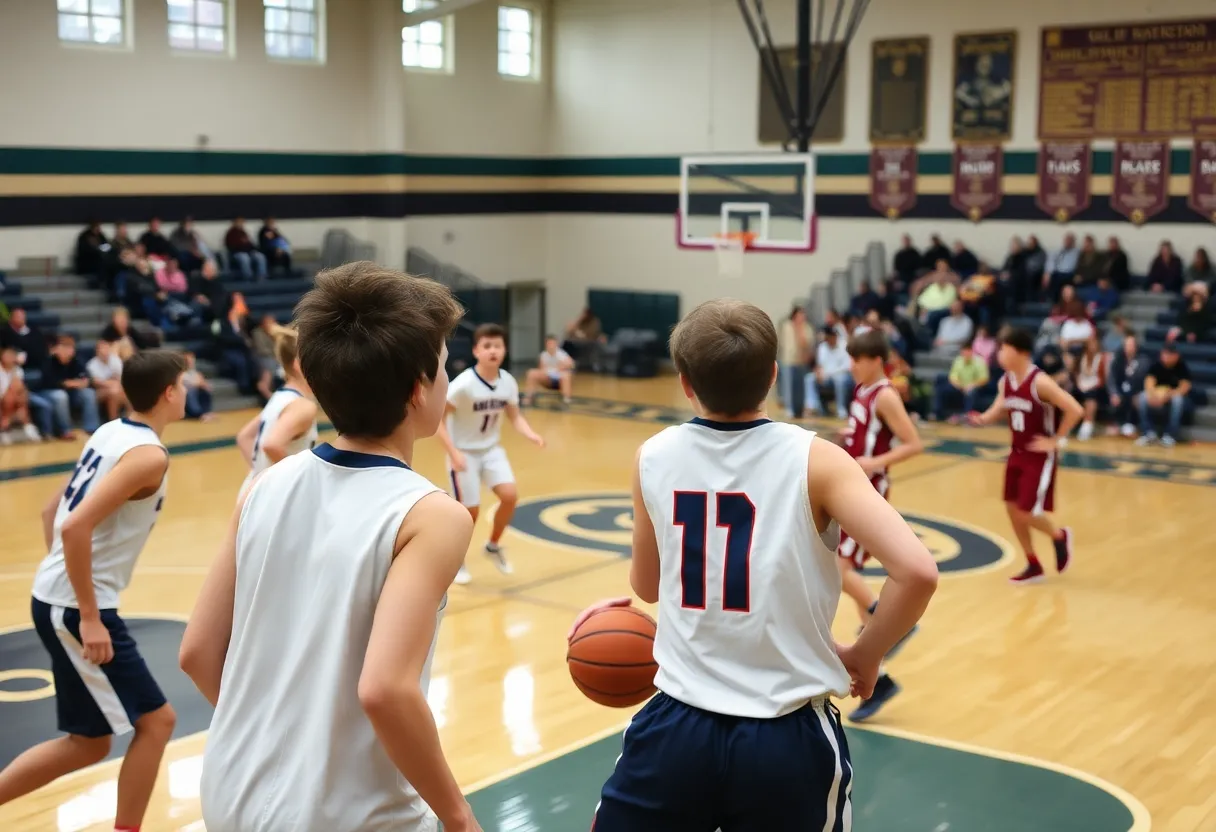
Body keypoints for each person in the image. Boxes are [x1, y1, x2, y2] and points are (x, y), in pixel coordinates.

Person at [571, 299, 938, 831]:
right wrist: (865, 653)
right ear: (771, 375)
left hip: (676, 726)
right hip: (786, 733)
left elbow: (646, 586)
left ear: (685, 382)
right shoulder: (819, 459)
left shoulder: (653, 454)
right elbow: (918, 573)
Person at [180, 263, 482, 832]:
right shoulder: (431, 515)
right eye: (446, 366)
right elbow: (386, 689)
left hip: (230, 792)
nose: (449, 379)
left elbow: (196, 653)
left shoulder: (263, 487)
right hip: (351, 813)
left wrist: (276, 749)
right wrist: (458, 816)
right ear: (420, 391)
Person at [0, 350, 187, 829]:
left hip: (57, 596)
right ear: (169, 392)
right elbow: (73, 525)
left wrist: (59, 579)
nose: (185, 392)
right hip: (77, 608)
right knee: (158, 721)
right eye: (182, 385)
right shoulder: (148, 456)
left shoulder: (111, 432)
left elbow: (51, 510)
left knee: (89, 743)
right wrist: (86, 614)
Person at [835, 329, 927, 721]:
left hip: (867, 491)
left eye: (858, 358)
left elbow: (913, 443)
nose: (852, 364)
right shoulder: (862, 391)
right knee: (841, 568)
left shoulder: (886, 394)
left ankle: (885, 617)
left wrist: (873, 463)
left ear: (876, 360)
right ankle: (880, 678)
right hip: (850, 485)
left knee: (838, 567)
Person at [968, 328, 1083, 584]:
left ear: (1020, 352)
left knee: (1026, 511)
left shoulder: (1040, 382)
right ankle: (1033, 563)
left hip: (1039, 456)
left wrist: (1056, 439)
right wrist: (984, 418)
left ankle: (1059, 537)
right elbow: (1001, 406)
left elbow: (1075, 409)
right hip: (1016, 452)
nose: (999, 354)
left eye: (1004, 349)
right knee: (1011, 509)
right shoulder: (1005, 381)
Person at [434, 323, 544, 583]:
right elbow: (438, 420)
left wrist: (530, 433)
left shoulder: (508, 382)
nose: (493, 351)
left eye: (498, 346)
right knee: (468, 513)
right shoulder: (463, 385)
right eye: (487, 346)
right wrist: (453, 453)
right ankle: (455, 560)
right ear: (476, 351)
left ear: (504, 350)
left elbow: (515, 417)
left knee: (509, 496)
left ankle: (493, 546)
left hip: (492, 450)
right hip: (464, 453)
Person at [234, 327, 318, 496]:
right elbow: (272, 445)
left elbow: (244, 437)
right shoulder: (303, 406)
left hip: (253, 492)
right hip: (270, 497)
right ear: (299, 364)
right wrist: (300, 481)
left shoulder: (280, 396)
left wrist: (259, 470)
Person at [1134, 344, 1192, 447]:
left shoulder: (1182, 367)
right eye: (1164, 354)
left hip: (1172, 397)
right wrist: (1154, 396)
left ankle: (1170, 435)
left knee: (1178, 400)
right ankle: (1148, 433)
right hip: (1157, 396)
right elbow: (1149, 382)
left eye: (1169, 355)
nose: (1166, 357)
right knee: (1142, 397)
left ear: (1176, 356)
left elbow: (1184, 387)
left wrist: (1168, 395)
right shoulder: (1156, 366)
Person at [522, 335, 574, 407]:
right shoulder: (543, 355)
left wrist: (561, 367)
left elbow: (571, 363)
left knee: (566, 375)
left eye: (553, 343)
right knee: (531, 373)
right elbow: (541, 369)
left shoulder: (561, 354)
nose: (551, 346)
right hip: (548, 379)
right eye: (549, 343)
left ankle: (566, 399)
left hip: (559, 379)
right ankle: (529, 396)